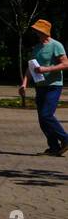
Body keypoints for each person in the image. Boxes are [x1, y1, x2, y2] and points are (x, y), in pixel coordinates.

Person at [20, 19, 68, 157]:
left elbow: (65, 64)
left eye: (38, 30)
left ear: (44, 31)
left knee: (47, 115)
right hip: (40, 87)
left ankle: (65, 139)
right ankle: (54, 147)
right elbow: (31, 68)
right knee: (42, 119)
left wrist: (47, 69)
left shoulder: (56, 45)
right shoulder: (37, 48)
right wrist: (24, 83)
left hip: (54, 86)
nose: (35, 32)